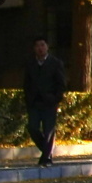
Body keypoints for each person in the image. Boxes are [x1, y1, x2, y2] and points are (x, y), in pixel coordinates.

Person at [22, 36, 66, 167]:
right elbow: (26, 83)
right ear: (34, 48)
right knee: (33, 127)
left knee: (48, 131)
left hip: (49, 102)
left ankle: (46, 158)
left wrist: (56, 98)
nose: (40, 48)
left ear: (47, 47)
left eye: (42, 45)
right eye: (37, 46)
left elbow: (61, 84)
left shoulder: (55, 63)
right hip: (34, 103)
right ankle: (47, 152)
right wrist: (28, 98)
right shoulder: (30, 64)